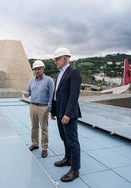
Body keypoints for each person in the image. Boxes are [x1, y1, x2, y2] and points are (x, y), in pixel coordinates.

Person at [50, 47, 82, 182]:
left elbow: (74, 96)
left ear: (65, 58)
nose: (55, 62)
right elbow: (57, 94)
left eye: (57, 59)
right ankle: (68, 159)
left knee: (73, 141)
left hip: (68, 114)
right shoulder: (60, 74)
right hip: (60, 112)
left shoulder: (73, 72)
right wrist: (53, 111)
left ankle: (75, 169)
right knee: (64, 138)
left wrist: (68, 114)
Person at [23, 60, 54, 158]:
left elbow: (51, 95)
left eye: (39, 69)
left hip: (43, 107)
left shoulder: (49, 80)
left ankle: (44, 147)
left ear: (43, 69)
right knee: (34, 126)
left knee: (44, 128)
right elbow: (29, 91)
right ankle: (35, 144)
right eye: (35, 69)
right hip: (32, 105)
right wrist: (27, 93)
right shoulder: (31, 80)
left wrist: (48, 108)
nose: (37, 71)